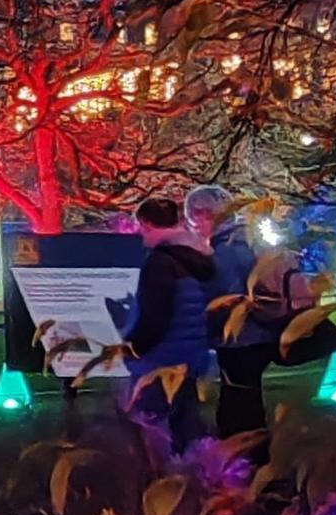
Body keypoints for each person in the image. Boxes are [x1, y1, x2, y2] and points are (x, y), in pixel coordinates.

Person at [109, 195, 220, 452]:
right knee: (186, 425)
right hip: (191, 356)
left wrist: (134, 348)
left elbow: (156, 316)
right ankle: (195, 477)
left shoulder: (160, 262)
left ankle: (159, 480)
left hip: (159, 361)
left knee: (151, 429)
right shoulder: (197, 258)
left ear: (146, 224)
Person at [187, 184, 273, 451]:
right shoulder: (243, 242)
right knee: (247, 398)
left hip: (239, 338)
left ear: (206, 215)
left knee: (238, 403)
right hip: (256, 334)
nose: (194, 226)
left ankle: (245, 457)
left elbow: (226, 297)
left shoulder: (224, 251)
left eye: (194, 218)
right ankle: (253, 452)